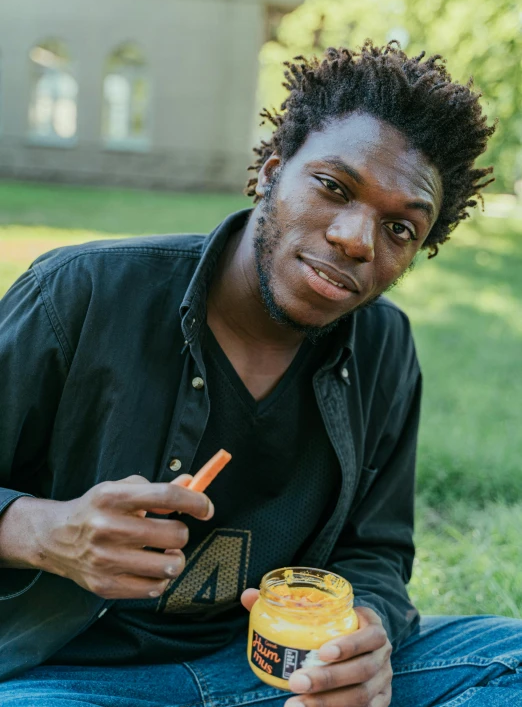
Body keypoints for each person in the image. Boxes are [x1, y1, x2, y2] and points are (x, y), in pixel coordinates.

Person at [0, 41, 521, 707]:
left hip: (282, 676)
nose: (358, 239)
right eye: (333, 186)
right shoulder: (79, 292)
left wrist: (365, 635)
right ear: (270, 171)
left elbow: (377, 553)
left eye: (400, 228)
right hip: (73, 675)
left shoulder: (385, 346)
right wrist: (47, 531)